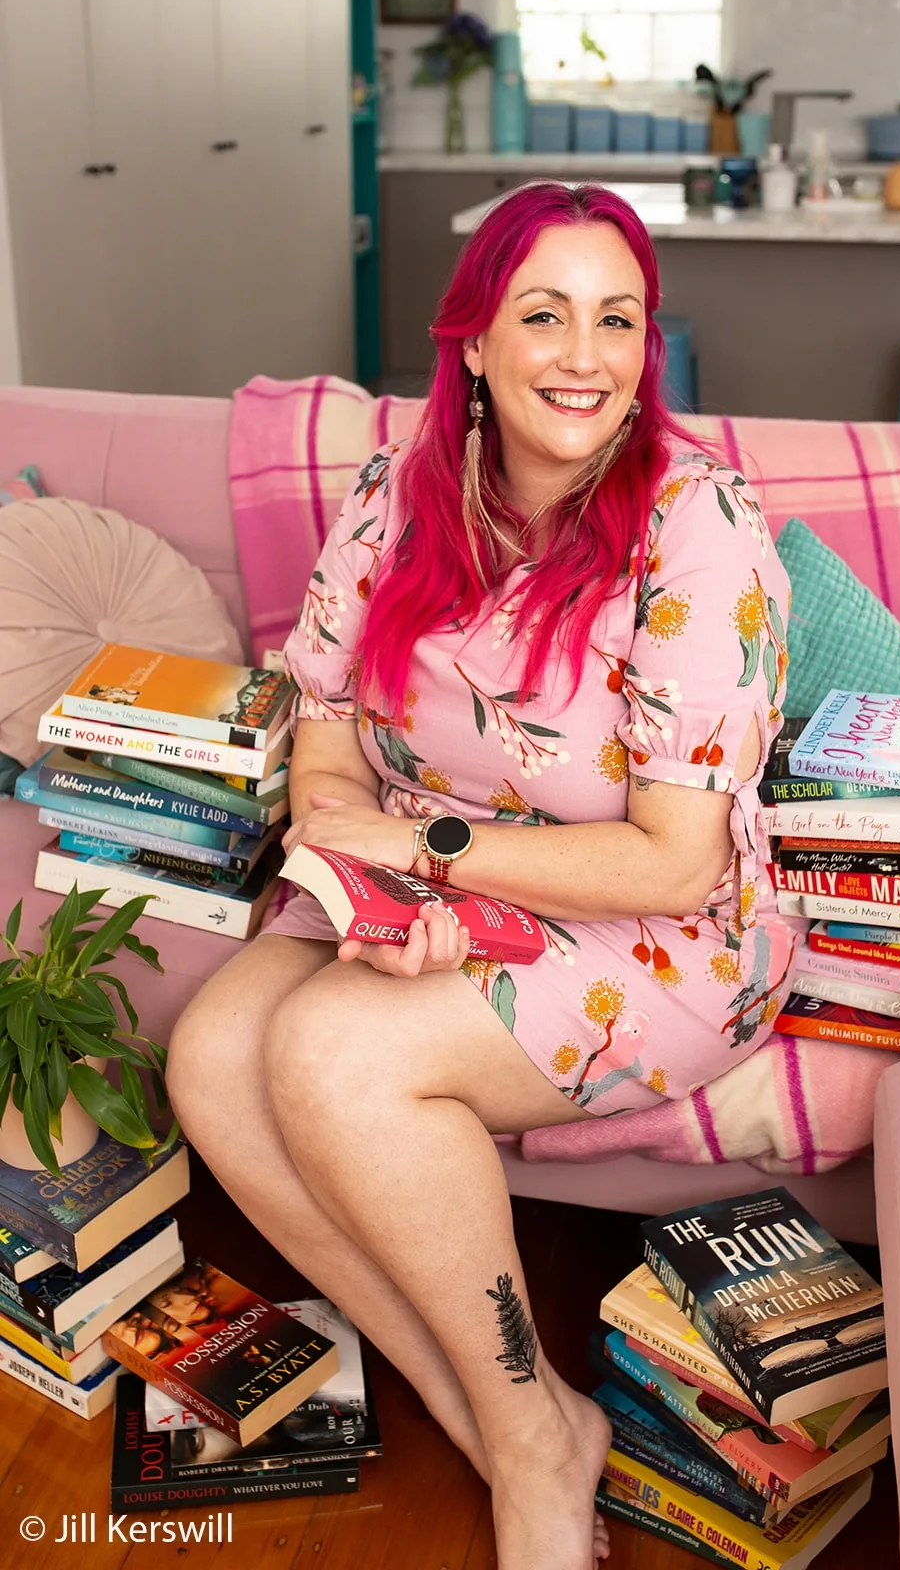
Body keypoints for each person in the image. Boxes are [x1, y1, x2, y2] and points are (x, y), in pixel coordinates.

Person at [167, 180, 794, 1570]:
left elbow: (671, 859)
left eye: (616, 319)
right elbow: (322, 725)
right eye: (544, 314)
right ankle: (502, 1415)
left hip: (660, 929)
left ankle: (526, 1444)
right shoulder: (401, 490)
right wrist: (362, 854)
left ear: (648, 344)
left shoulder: (699, 524)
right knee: (212, 1059)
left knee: (333, 1054)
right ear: (474, 342)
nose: (584, 355)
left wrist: (428, 855)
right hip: (416, 880)